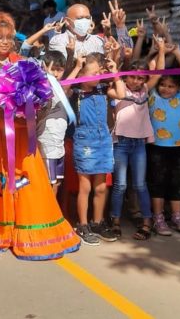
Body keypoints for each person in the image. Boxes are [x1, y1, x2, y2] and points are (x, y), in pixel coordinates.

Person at [0, 11, 81, 260]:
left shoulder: (23, 62)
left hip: (20, 135)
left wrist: (29, 102)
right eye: (1, 37)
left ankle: (29, 232)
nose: (6, 42)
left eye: (9, 37)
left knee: (26, 182)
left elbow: (41, 92)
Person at [63, 52, 125, 245]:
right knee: (85, 186)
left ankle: (97, 222)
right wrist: (76, 67)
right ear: (82, 75)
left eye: (99, 73)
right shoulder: (75, 92)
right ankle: (82, 225)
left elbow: (122, 94)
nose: (97, 76)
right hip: (84, 140)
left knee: (100, 186)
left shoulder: (103, 89)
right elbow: (62, 89)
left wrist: (115, 73)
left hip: (104, 140)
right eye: (93, 73)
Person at [107, 40, 166, 241]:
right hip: (121, 143)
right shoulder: (118, 88)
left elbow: (159, 73)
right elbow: (118, 88)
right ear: (125, 76)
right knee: (120, 185)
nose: (137, 82)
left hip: (139, 144)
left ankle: (147, 222)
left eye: (141, 78)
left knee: (140, 184)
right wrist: (116, 71)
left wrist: (162, 51)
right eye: (133, 77)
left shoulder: (145, 90)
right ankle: (114, 220)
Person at [147, 48, 180, 235]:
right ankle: (158, 218)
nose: (166, 88)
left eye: (171, 86)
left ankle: (177, 216)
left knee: (177, 182)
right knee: (157, 182)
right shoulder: (152, 95)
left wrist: (177, 52)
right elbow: (155, 73)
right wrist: (160, 52)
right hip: (157, 147)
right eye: (163, 84)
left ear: (178, 87)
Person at [37, 51, 69, 197]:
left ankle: (54, 215)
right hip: (47, 143)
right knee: (48, 183)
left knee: (56, 183)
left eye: (59, 69)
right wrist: (46, 77)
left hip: (59, 144)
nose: (55, 74)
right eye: (52, 69)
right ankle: (47, 216)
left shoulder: (62, 87)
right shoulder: (42, 88)